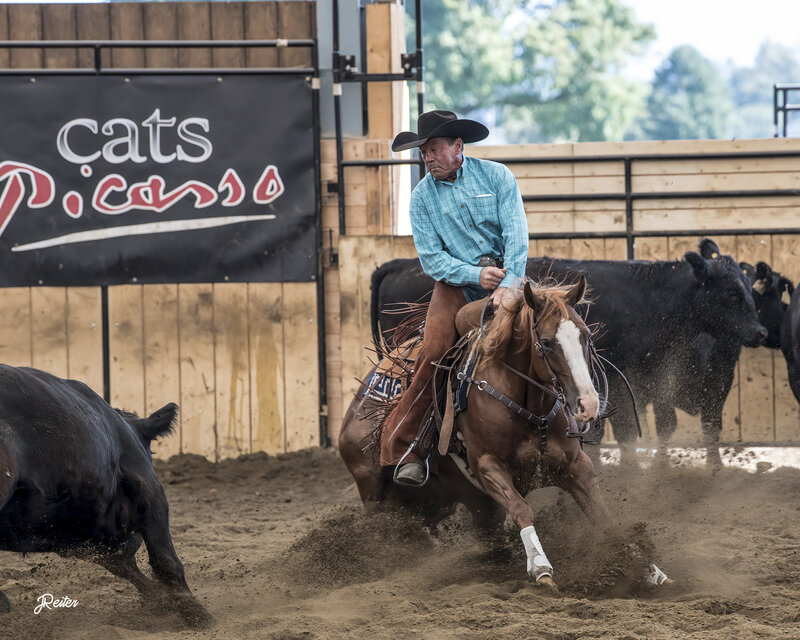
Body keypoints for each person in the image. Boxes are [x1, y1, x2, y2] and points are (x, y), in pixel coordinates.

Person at [380, 109, 529, 485]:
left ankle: (573, 420)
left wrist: (510, 283)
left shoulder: (497, 177)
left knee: (553, 333)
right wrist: (475, 274)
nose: (426, 158)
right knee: (434, 354)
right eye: (422, 152)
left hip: (508, 279)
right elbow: (433, 260)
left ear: (457, 146)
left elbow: (516, 235)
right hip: (455, 288)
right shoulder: (421, 199)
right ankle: (409, 448)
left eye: (432, 150)